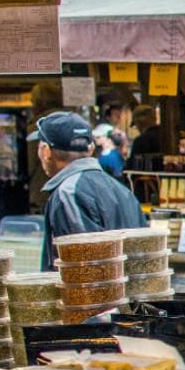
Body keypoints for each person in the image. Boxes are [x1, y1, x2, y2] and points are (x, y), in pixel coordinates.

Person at [31, 112, 147, 272]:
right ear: (91, 148)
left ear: (46, 151)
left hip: (97, 295)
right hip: (127, 294)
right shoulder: (121, 190)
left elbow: (85, 270)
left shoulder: (68, 193)